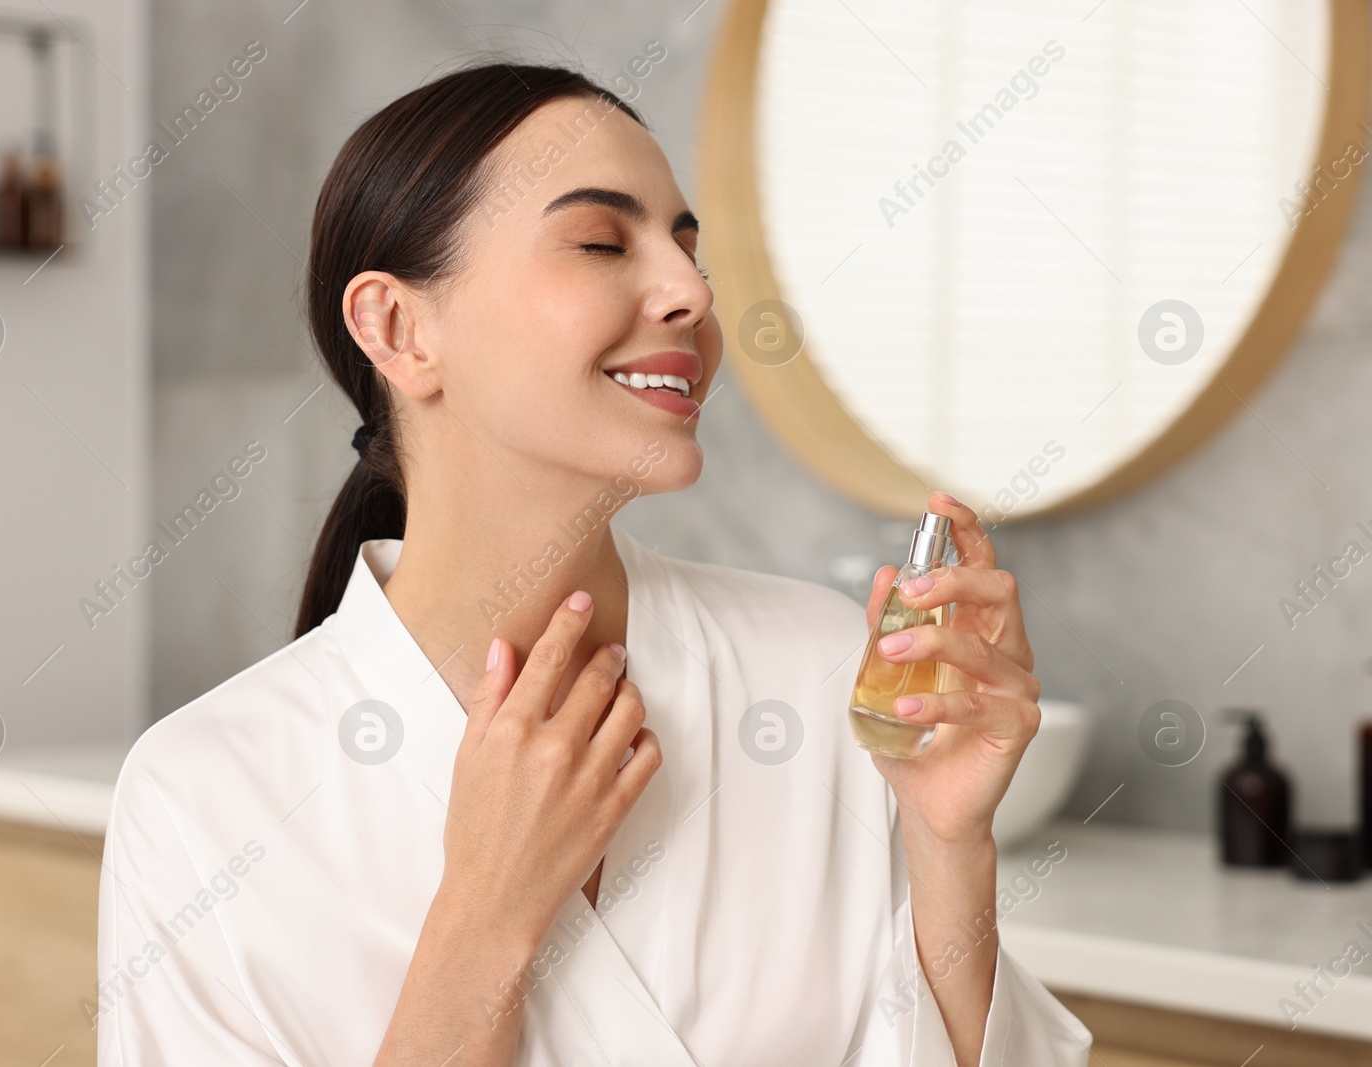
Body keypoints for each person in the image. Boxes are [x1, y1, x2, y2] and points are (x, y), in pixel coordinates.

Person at [96, 62, 1093, 1066]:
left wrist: (949, 846)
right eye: (600, 241)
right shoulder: (205, 794)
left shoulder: (827, 672)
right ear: (400, 328)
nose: (692, 292)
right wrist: (484, 917)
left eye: (687, 246)